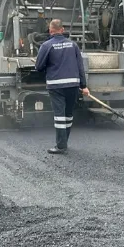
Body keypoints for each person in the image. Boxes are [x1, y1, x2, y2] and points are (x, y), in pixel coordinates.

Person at [35, 19, 90, 155]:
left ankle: (60, 146)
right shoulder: (73, 45)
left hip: (56, 85)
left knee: (59, 115)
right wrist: (84, 86)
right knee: (68, 114)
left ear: (50, 31)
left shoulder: (46, 46)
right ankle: (64, 141)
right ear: (63, 30)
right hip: (73, 85)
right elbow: (80, 67)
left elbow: (39, 67)